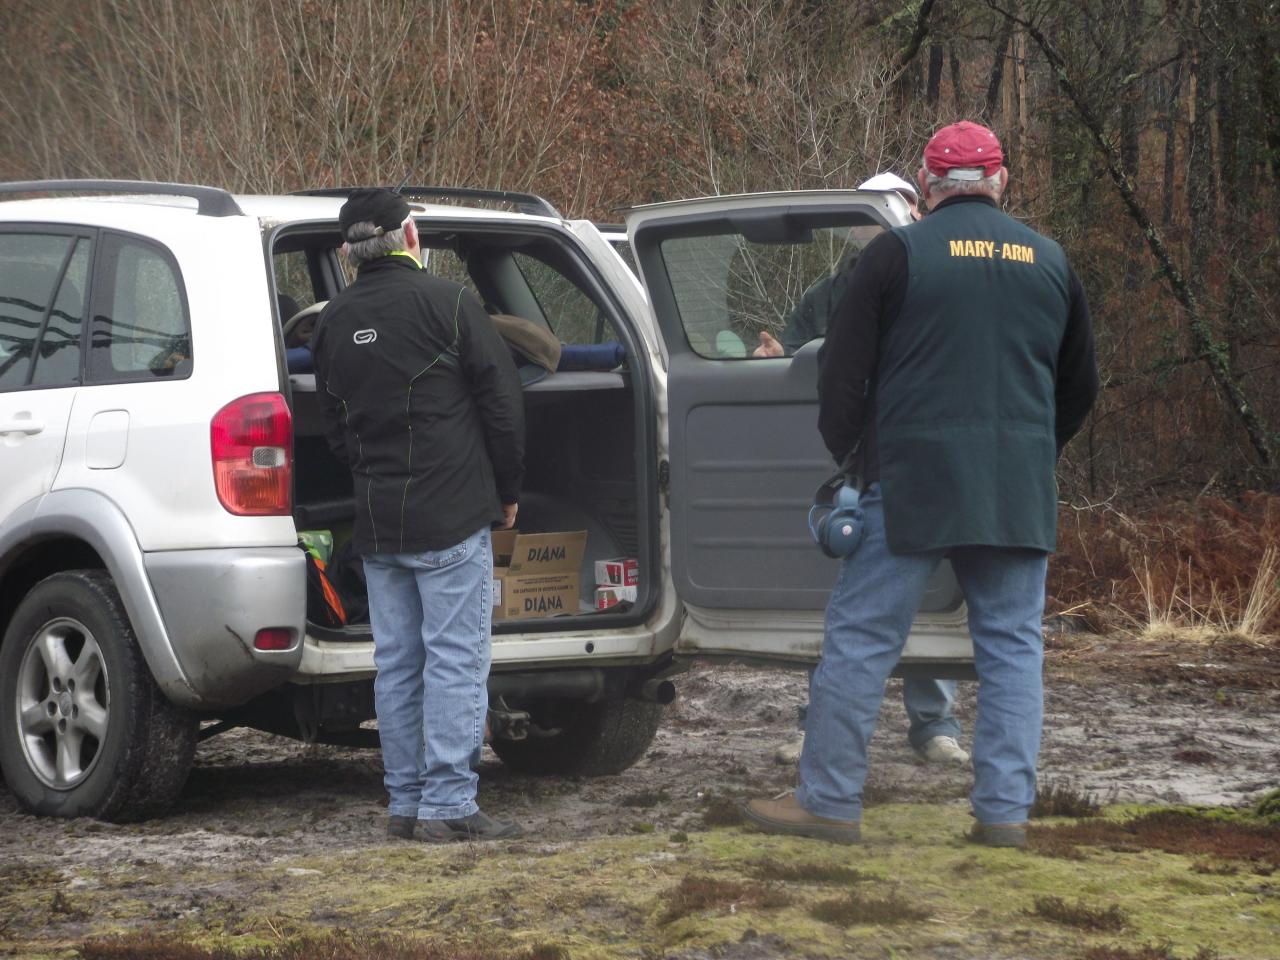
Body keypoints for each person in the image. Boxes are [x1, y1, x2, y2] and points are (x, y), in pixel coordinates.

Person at [743, 122, 1098, 848]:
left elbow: (840, 374)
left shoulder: (895, 254)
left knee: (861, 642)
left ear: (929, 185)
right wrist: (1031, 455)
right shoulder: (1051, 261)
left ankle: (829, 803)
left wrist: (854, 458)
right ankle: (1004, 816)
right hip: (1015, 489)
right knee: (1012, 650)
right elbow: (1079, 387)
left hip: (909, 483)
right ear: (1000, 181)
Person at [312, 188, 526, 842]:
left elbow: (335, 429)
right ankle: (449, 804)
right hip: (451, 516)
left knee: (399, 665)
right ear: (410, 236)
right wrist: (509, 490)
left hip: (379, 526)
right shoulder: (451, 303)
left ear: (347, 254)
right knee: (456, 660)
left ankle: (405, 803)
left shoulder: (331, 323)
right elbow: (503, 406)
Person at [761, 173, 969, 771]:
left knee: (931, 593)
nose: (873, 226)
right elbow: (806, 362)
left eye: (893, 210)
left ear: (916, 208)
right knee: (848, 604)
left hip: (924, 458)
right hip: (858, 461)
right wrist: (775, 359)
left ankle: (934, 724)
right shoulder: (827, 293)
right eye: (865, 217)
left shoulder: (938, 277)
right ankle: (820, 729)